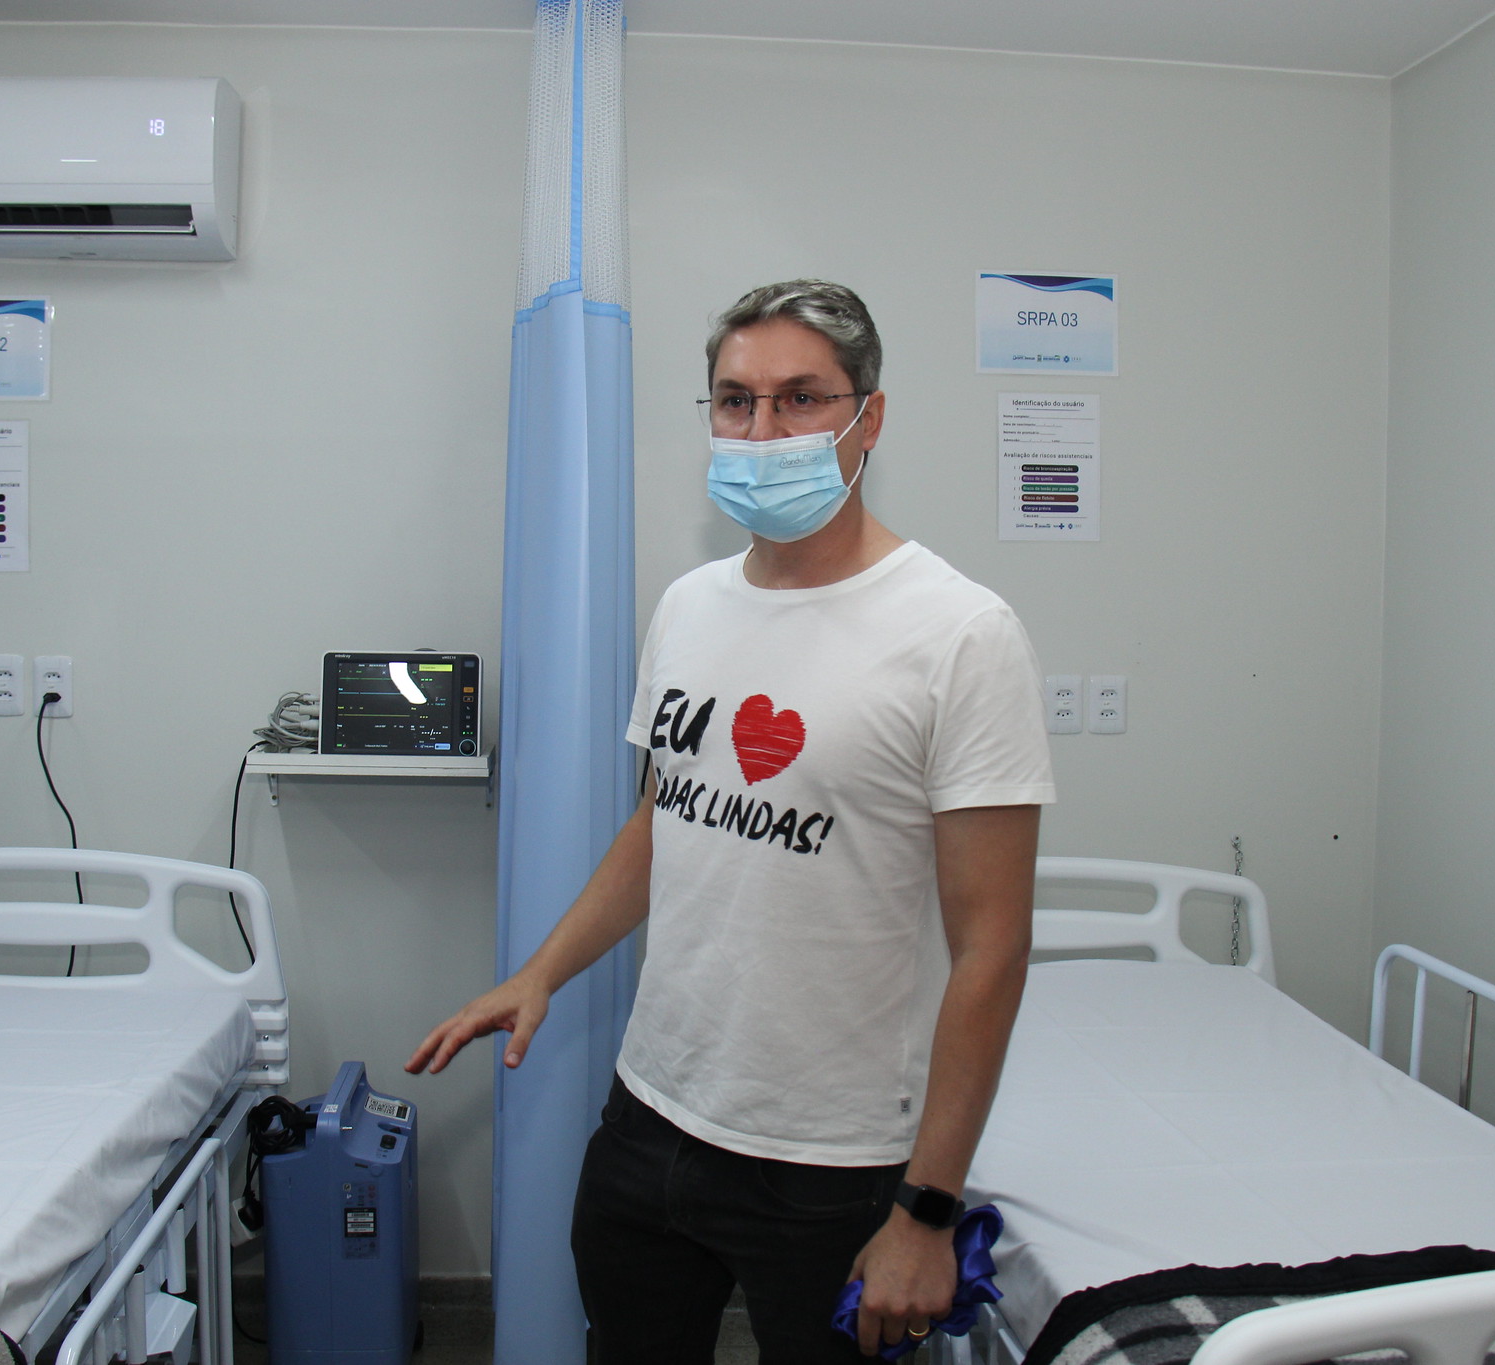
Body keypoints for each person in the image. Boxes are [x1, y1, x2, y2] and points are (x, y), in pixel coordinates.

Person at [408, 280, 1053, 1361]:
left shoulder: (959, 635)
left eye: (801, 398)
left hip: (837, 1161)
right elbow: (661, 822)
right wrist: (542, 973)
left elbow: (992, 946)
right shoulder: (689, 607)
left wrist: (927, 1211)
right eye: (735, 400)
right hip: (651, 1112)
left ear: (868, 419)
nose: (762, 431)